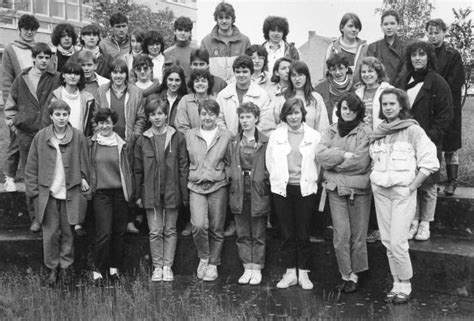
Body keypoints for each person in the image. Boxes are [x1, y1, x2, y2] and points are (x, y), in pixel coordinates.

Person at [369, 88, 439, 304]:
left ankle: (406, 284)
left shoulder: (412, 131)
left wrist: (411, 188)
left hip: (402, 194)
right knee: (388, 241)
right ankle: (396, 282)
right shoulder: (379, 131)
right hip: (381, 193)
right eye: (385, 104)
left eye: (392, 103)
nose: (388, 107)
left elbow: (430, 162)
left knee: (399, 241)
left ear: (401, 106)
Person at [24, 100, 90, 287]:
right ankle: (52, 268)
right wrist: (35, 193)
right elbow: (31, 167)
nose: (61, 118)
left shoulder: (77, 136)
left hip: (71, 192)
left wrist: (84, 180)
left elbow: (85, 163)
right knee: (51, 233)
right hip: (49, 194)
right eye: (57, 114)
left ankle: (66, 267)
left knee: (68, 232)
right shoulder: (41, 137)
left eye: (64, 114)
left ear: (69, 116)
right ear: (51, 116)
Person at [396, 41, 453, 241]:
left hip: (428, 141)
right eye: (414, 55)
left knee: (427, 183)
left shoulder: (437, 82)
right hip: (405, 142)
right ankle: (413, 220)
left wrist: (429, 138)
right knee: (411, 181)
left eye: (422, 54)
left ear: (429, 57)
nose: (417, 58)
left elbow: (445, 115)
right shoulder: (403, 80)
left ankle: (425, 223)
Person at [316, 93, 372, 293]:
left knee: (358, 235)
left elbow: (361, 161)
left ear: (358, 111)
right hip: (335, 189)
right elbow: (320, 155)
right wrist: (342, 155)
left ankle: (357, 274)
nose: (347, 113)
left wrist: (336, 165)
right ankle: (345, 273)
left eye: (352, 109)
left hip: (358, 190)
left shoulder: (365, 131)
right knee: (341, 234)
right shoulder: (331, 130)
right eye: (344, 108)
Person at [4, 42, 62, 233]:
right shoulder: (22, 79)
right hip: (27, 133)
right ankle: (35, 217)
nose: (44, 61)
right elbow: (11, 102)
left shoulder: (56, 79)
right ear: (34, 58)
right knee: (31, 177)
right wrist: (14, 122)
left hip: (48, 132)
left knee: (51, 174)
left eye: (47, 57)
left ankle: (50, 217)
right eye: (40, 57)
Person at [266, 97, 321, 290]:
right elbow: (269, 162)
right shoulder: (276, 135)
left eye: (296, 112)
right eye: (289, 113)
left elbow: (318, 164)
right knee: (287, 232)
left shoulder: (314, 136)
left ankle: (304, 273)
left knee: (303, 231)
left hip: (305, 189)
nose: (293, 117)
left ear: (302, 114)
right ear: (284, 115)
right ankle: (290, 272)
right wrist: (278, 179)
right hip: (282, 189)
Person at [134, 99, 189, 282]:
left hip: (172, 190)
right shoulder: (143, 139)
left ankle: (168, 266)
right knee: (155, 231)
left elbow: (183, 166)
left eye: (160, 113)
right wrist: (138, 195)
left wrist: (184, 193)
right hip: (150, 192)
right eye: (152, 114)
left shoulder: (177, 137)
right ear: (148, 117)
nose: (157, 117)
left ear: (166, 115)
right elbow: (138, 169)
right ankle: (157, 267)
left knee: (170, 230)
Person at [185, 99, 233, 282]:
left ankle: (214, 263)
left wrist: (223, 176)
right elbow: (186, 160)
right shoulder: (190, 135)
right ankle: (204, 257)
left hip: (218, 185)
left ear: (217, 115)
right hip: (196, 185)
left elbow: (229, 161)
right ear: (199, 115)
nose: (207, 117)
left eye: (211, 114)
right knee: (198, 225)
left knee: (216, 227)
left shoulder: (226, 136)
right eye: (204, 113)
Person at [227, 102, 270, 285]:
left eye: (248, 117)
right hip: (239, 188)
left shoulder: (265, 141)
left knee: (258, 230)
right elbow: (229, 164)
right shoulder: (234, 142)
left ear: (256, 118)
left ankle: (257, 267)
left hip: (258, 188)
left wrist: (263, 180)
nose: (244, 121)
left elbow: (270, 165)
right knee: (243, 230)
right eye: (242, 117)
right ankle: (247, 266)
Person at [89, 108, 132, 285]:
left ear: (113, 123)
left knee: (118, 233)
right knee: (104, 232)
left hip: (120, 193)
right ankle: (96, 269)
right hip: (101, 194)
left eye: (108, 122)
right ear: (97, 125)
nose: (104, 126)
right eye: (101, 123)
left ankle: (114, 268)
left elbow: (128, 170)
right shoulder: (91, 144)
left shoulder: (122, 144)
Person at [425, 18, 465, 196]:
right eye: (430, 32)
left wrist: (439, 94)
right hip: (430, 107)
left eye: (437, 32)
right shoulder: (424, 52)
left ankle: (452, 181)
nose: (433, 36)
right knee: (433, 145)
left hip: (449, 106)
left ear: (444, 32)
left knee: (450, 145)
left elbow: (455, 81)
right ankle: (434, 181)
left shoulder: (452, 54)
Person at [355, 57, 392, 244]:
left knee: (379, 183)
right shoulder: (358, 92)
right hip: (362, 141)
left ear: (378, 72)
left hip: (381, 141)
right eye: (364, 72)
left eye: (371, 71)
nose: (367, 74)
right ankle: (367, 227)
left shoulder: (387, 90)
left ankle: (379, 228)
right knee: (365, 184)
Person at [2, 14, 40, 193]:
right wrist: (10, 108)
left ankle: (32, 178)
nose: (29, 33)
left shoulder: (39, 49)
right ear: (20, 30)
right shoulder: (11, 49)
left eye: (33, 30)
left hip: (37, 104)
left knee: (36, 143)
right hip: (19, 104)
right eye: (26, 30)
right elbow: (7, 79)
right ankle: (9, 177)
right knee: (16, 141)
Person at [216, 55, 273, 136]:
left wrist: (250, 136)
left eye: (245, 71)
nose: (241, 75)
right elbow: (218, 119)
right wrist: (228, 136)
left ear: (251, 72)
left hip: (254, 142)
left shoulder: (262, 95)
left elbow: (265, 121)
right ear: (234, 73)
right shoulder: (224, 94)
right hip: (229, 142)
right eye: (238, 72)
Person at [94, 58, 146, 143]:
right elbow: (95, 116)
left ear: (126, 74)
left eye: (121, 73)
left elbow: (141, 118)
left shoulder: (136, 92)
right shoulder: (101, 91)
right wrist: (99, 134)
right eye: (115, 72)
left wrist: (135, 135)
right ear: (110, 74)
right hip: (105, 140)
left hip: (128, 141)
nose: (118, 76)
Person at [273, 61, 329, 133]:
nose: (297, 79)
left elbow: (323, 127)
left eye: (300, 75)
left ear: (306, 76)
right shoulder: (281, 98)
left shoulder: (316, 98)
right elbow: (272, 124)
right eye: (293, 75)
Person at [201, 2, 251, 82]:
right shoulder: (206, 41)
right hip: (214, 88)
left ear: (232, 19)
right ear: (216, 19)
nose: (224, 21)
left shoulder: (244, 41)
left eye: (227, 18)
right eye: (221, 18)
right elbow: (202, 69)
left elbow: (250, 68)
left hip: (238, 88)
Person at [45, 61, 95, 137]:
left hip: (79, 141)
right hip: (57, 140)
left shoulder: (88, 99)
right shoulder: (54, 96)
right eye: (69, 73)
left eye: (76, 74)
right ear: (63, 75)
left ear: (81, 77)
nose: (72, 76)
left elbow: (92, 124)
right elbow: (45, 121)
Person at [324, 13, 367, 86]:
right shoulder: (332, 48)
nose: (354, 30)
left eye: (357, 27)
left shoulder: (364, 48)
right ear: (342, 28)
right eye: (350, 26)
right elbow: (326, 73)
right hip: (337, 90)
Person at [366, 10, 406, 85]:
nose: (389, 27)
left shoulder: (406, 47)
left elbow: (404, 73)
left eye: (392, 23)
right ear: (381, 26)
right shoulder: (373, 47)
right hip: (379, 89)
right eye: (386, 24)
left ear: (398, 25)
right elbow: (371, 72)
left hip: (400, 89)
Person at [315, 53, 355, 124]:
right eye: (333, 69)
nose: (337, 72)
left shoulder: (356, 86)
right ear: (329, 71)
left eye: (341, 68)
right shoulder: (319, 88)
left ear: (346, 68)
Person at [175, 69, 215, 134]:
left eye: (203, 81)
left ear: (209, 84)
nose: (200, 83)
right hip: (190, 141)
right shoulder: (185, 100)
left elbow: (219, 123)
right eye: (197, 81)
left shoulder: (215, 100)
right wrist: (195, 140)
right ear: (192, 84)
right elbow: (181, 126)